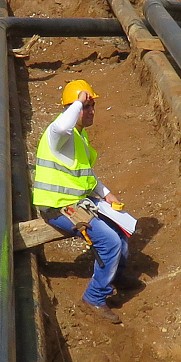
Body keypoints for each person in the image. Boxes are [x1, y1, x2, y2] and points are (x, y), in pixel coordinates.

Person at [31, 79, 140, 325]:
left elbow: (85, 175)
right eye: (86, 107)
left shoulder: (79, 137)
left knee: (120, 233)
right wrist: (78, 101)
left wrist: (106, 193)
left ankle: (115, 276)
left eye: (92, 107)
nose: (91, 112)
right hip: (57, 206)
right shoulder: (58, 134)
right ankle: (94, 297)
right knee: (109, 241)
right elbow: (61, 128)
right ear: (72, 109)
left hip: (76, 201)